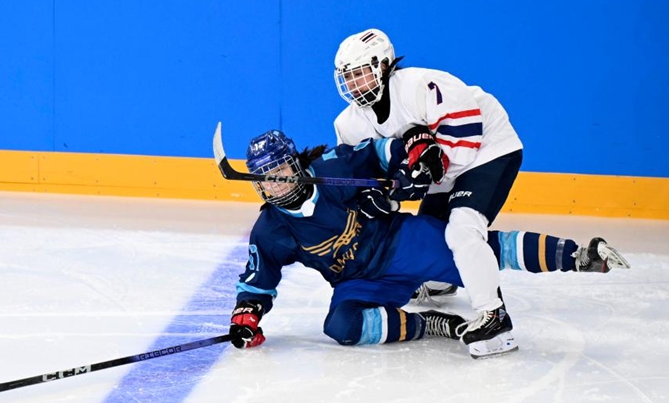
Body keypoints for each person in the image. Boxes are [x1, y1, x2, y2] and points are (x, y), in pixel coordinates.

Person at [227, 129, 629, 359]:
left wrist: (404, 167)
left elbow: (383, 151)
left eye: (279, 171)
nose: (273, 183)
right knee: (341, 326)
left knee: (478, 250)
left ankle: (578, 256)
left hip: (401, 242)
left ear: (295, 166)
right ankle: (428, 324)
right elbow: (258, 281)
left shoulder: (331, 168)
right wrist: (247, 314)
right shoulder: (270, 229)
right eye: (263, 178)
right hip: (358, 282)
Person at [332, 28, 523, 333]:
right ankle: (441, 284)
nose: (354, 84)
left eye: (360, 74)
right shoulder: (349, 123)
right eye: (348, 77)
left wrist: (417, 179)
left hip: (488, 148)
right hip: (449, 162)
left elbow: (464, 141)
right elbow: (367, 173)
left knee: (462, 229)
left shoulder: (420, 85)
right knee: (430, 233)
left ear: (382, 66)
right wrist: (380, 194)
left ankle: (494, 314)